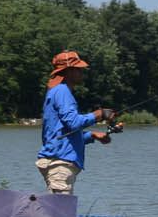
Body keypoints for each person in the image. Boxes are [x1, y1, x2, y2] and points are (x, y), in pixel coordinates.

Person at [36, 51, 119, 194]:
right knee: (60, 213)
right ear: (68, 71)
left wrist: (92, 136)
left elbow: (62, 133)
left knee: (60, 213)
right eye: (78, 69)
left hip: (58, 160)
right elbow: (73, 123)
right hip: (59, 163)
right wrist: (98, 114)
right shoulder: (62, 91)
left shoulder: (57, 91)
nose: (82, 72)